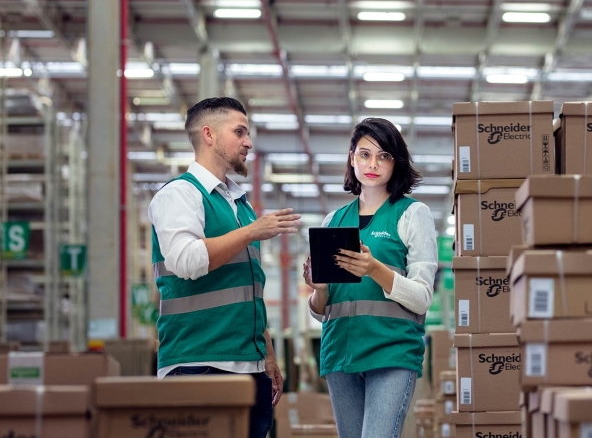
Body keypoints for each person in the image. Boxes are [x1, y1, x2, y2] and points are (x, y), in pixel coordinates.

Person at [148, 96, 301, 438]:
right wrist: (251, 232)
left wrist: (269, 356)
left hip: (250, 366)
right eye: (240, 132)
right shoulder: (180, 196)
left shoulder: (239, 205)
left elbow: (249, 291)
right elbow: (186, 260)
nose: (248, 142)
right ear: (209, 135)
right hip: (199, 363)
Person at [303, 118, 438, 438]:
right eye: (364, 154)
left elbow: (422, 298)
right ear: (352, 158)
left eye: (383, 156)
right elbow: (320, 310)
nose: (373, 164)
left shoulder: (412, 214)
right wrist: (319, 290)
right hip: (340, 352)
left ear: (396, 162)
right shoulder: (333, 220)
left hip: (390, 352)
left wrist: (374, 268)